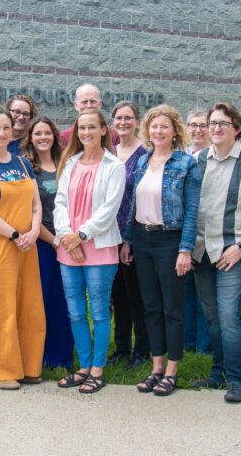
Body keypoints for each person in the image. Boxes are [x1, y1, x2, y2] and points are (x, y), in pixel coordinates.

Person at [188, 102, 241, 404]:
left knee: (228, 316)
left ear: (236, 128)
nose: (216, 128)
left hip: (234, 251)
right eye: (212, 123)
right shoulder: (197, 160)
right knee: (212, 317)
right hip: (202, 252)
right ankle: (218, 373)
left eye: (224, 123)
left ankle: (237, 378)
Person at [0, 106, 45, 389]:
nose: (2, 133)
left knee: (29, 306)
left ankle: (28, 366)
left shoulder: (22, 163)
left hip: (27, 244)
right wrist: (15, 234)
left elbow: (36, 204)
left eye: (6, 127)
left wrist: (34, 230)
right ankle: (0, 370)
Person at [128, 104, 201, 397]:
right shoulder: (142, 162)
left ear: (174, 131)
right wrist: (128, 241)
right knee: (151, 306)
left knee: (172, 308)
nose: (158, 132)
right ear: (147, 130)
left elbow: (193, 210)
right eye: (153, 127)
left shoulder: (186, 164)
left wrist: (185, 250)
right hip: (143, 240)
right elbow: (134, 206)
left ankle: (172, 369)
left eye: (164, 127)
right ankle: (156, 366)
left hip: (171, 241)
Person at [52, 109, 124, 395]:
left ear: (104, 130)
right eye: (82, 128)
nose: (86, 133)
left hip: (100, 247)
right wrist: (68, 239)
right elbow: (59, 203)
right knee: (76, 313)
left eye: (92, 127)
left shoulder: (113, 166)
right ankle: (83, 367)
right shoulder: (70, 163)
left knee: (99, 310)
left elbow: (109, 209)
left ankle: (98, 369)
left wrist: (80, 236)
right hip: (69, 247)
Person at [23, 116, 73, 370]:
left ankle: (61, 358)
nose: (43, 137)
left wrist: (66, 240)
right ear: (30, 138)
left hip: (68, 243)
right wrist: (53, 241)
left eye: (47, 133)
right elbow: (31, 212)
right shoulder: (26, 168)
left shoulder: (67, 164)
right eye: (37, 133)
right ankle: (36, 357)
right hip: (41, 244)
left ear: (55, 136)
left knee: (64, 302)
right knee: (38, 301)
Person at [109, 100, 150, 368]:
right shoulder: (108, 153)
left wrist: (129, 239)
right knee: (116, 296)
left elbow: (142, 200)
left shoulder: (145, 154)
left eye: (128, 118)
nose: (123, 122)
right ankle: (121, 348)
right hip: (108, 237)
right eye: (118, 118)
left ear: (137, 121)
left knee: (136, 296)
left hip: (133, 236)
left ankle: (141, 351)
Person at [181, 107, 211, 355]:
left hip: (208, 233)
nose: (198, 130)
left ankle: (204, 347)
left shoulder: (214, 156)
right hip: (185, 231)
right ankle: (187, 341)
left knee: (204, 294)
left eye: (203, 125)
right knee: (186, 291)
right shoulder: (182, 156)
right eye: (193, 124)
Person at [59, 83, 117, 148]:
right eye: (84, 102)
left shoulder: (113, 137)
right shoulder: (64, 137)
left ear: (100, 104)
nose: (89, 106)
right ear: (76, 105)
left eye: (92, 101)